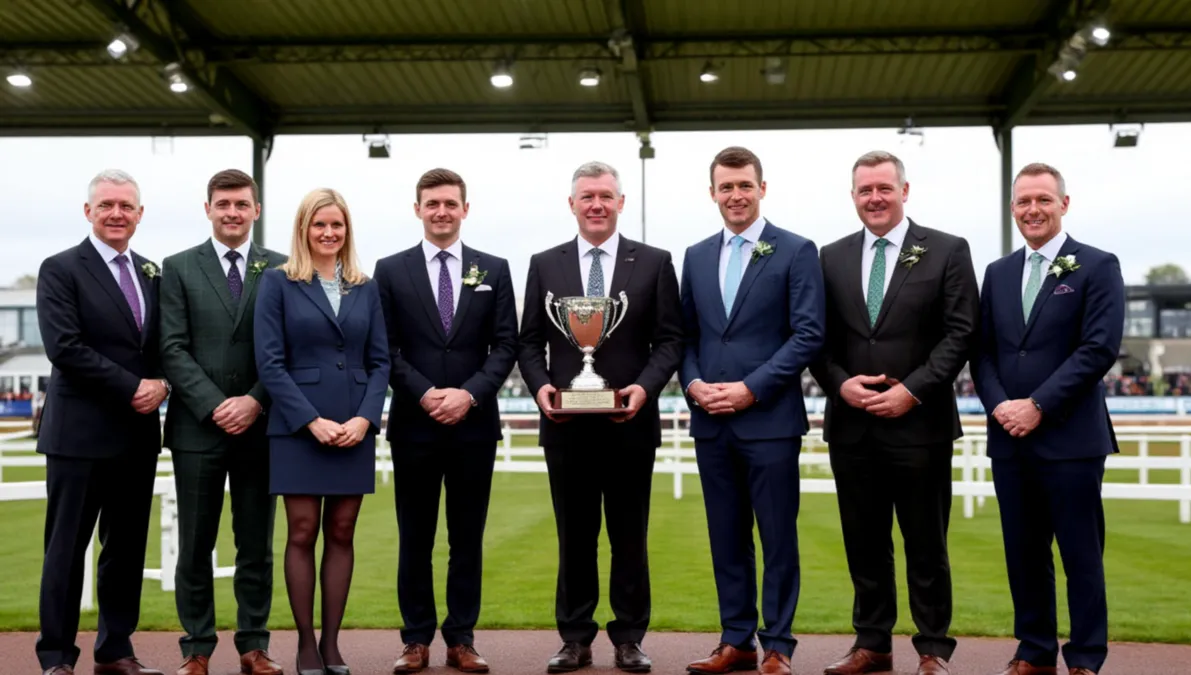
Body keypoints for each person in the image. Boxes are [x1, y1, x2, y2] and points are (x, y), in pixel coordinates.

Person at [809, 151, 979, 675]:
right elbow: (816, 339)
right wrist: (840, 386)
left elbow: (961, 332)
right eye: (865, 190)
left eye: (884, 188)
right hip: (853, 427)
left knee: (926, 543)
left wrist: (915, 390)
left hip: (920, 424)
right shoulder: (829, 257)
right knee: (864, 543)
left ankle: (932, 648)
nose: (875, 198)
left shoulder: (948, 250)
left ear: (905, 191)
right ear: (853, 196)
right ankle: (872, 643)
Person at [518, 161, 683, 674]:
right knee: (574, 536)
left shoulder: (654, 262)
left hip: (630, 424)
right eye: (587, 196)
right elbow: (527, 342)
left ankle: (630, 637)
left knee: (630, 536)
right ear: (572, 204)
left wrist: (644, 388)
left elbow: (671, 339)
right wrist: (543, 387)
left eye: (605, 196)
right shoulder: (545, 263)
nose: (596, 204)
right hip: (566, 428)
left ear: (620, 202)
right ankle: (574, 638)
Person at [972, 163, 1123, 675]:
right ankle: (1034, 650)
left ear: (1063, 203)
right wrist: (1000, 407)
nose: (1032, 210)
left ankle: (1084, 656)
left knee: (1081, 553)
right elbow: (984, 353)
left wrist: (1037, 405)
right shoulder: (997, 273)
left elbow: (1098, 348)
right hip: (1008, 437)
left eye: (1042, 200)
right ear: (1013, 208)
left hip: (1071, 438)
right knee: (1023, 553)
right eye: (1022, 202)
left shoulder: (1098, 266)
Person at [680, 147, 825, 675]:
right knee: (726, 536)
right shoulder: (695, 255)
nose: (735, 195)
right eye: (726, 187)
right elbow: (687, 335)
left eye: (744, 185)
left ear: (763, 188)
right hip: (710, 422)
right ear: (712, 192)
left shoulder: (795, 250)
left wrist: (750, 387)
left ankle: (778, 646)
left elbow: (808, 333)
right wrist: (693, 382)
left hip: (769, 421)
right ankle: (735, 640)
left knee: (777, 537)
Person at [375, 169, 518, 674]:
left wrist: (469, 394)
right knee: (414, 537)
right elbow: (385, 348)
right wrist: (427, 392)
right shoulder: (389, 271)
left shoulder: (494, 269)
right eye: (432, 203)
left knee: (466, 538)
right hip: (414, 426)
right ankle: (415, 640)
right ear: (417, 209)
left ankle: (461, 639)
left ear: (465, 208)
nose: (441, 211)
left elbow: (506, 346)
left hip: (473, 427)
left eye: (450, 203)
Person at [35, 169, 170, 675]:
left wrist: (163, 383)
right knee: (66, 550)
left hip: (136, 438)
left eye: (127, 206)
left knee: (125, 550)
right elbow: (65, 348)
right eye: (107, 205)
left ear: (139, 214)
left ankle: (115, 650)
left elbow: (160, 346)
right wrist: (133, 387)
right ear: (88, 212)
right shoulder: (61, 268)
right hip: (79, 435)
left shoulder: (152, 271)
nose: (117, 214)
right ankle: (56, 657)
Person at [253, 187, 391, 675]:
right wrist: (310, 420)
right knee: (303, 530)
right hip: (297, 427)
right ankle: (305, 644)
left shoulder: (366, 286)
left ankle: (332, 645)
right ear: (303, 229)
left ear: (346, 230)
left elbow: (380, 362)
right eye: (319, 225)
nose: (329, 233)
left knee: (342, 530)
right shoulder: (278, 283)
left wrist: (364, 419)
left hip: (354, 425)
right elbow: (270, 364)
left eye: (337, 225)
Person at [159, 169, 288, 675]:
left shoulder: (281, 268)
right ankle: (196, 648)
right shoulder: (178, 267)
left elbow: (285, 349)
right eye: (223, 204)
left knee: (255, 544)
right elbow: (171, 347)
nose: (232, 212)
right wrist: (216, 404)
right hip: (198, 428)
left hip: (261, 427)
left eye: (241, 204)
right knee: (195, 544)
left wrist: (255, 401)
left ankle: (254, 645)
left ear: (255, 209)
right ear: (208, 209)